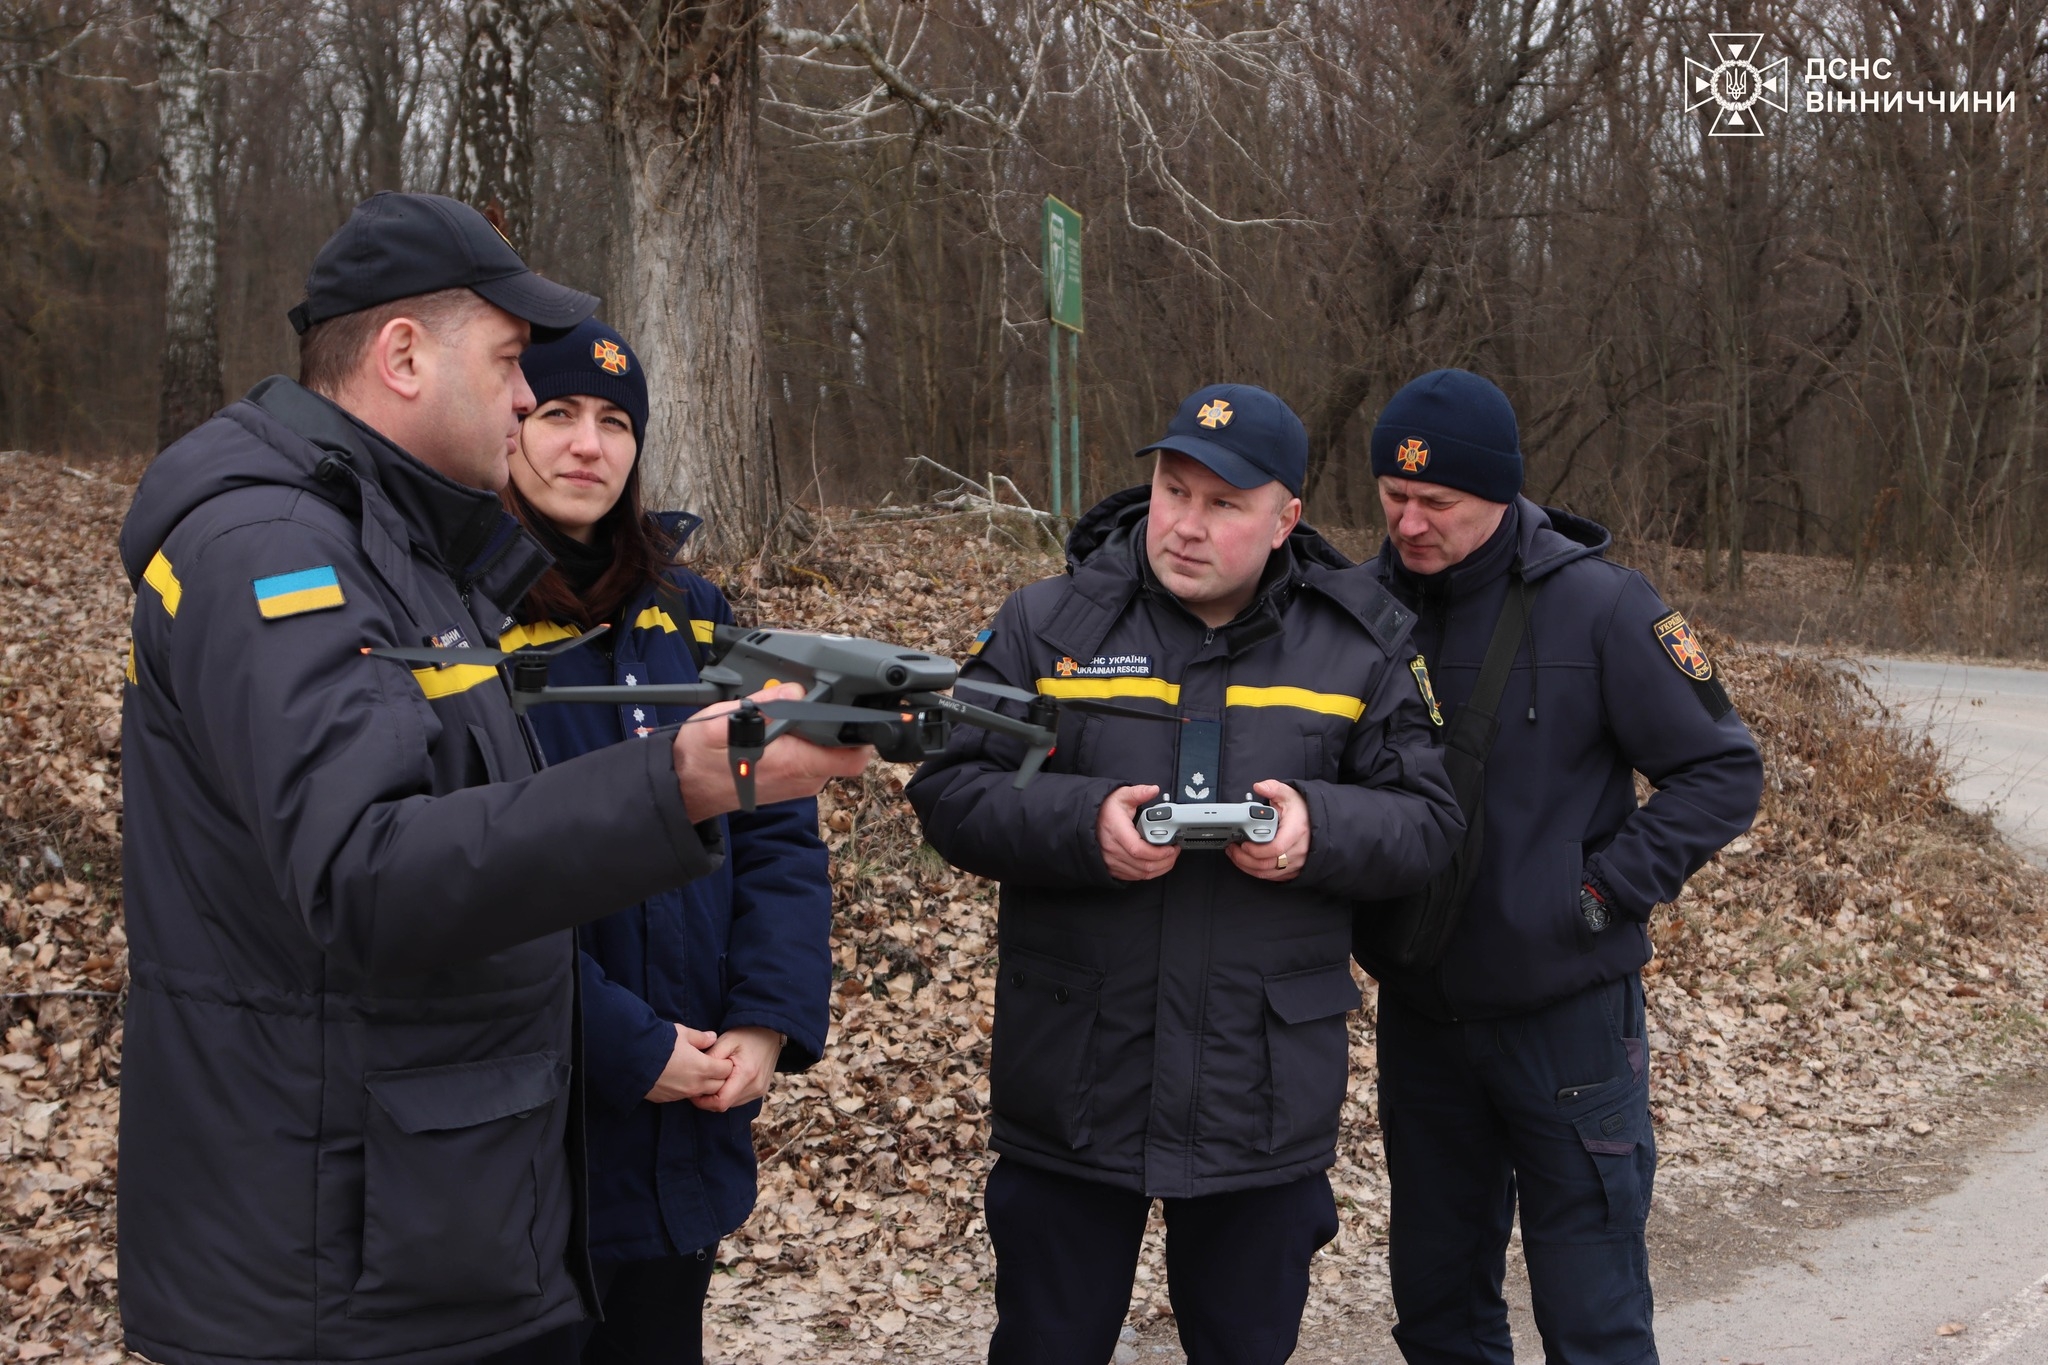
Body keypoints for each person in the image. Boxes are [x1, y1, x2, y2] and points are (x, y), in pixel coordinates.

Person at [115, 192, 869, 1365]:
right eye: (517, 366)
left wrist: (759, 1013)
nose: (531, 405)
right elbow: (370, 872)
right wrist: (682, 785)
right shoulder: (276, 553)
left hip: (420, 1214)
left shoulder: (393, 548)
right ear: (403, 355)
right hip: (332, 1256)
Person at [908, 384, 1464, 1365]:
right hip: (1075, 1080)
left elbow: (1426, 824)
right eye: (1172, 491)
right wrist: (1086, 824)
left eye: (1222, 504)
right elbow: (951, 787)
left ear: (1284, 518)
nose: (1185, 525)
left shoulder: (1356, 645)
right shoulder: (1049, 625)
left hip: (1258, 1091)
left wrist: (1313, 828)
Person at [1353, 369, 1765, 1364]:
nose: (1408, 522)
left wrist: (1598, 893)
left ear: (1498, 493)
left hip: (1567, 1029)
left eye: (1435, 503)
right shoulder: (1357, 610)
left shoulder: (1606, 609)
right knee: (1439, 1317)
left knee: (1592, 1323)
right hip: (1423, 1023)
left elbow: (1721, 768)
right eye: (1391, 496)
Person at [496, 319, 833, 1364]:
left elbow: (777, 830)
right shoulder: (462, 619)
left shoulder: (693, 614)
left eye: (613, 422)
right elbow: (456, 879)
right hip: (524, 1127)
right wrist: (624, 1048)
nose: (586, 446)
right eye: (557, 415)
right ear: (509, 423)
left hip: (687, 1115)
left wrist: (765, 1022)